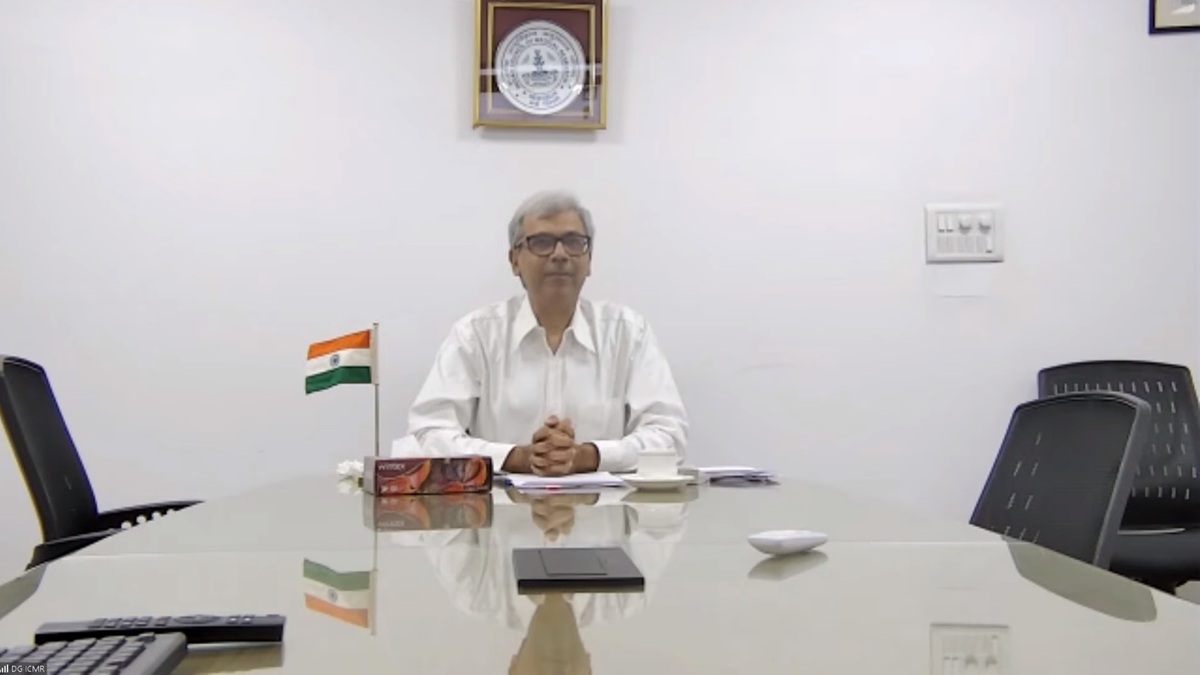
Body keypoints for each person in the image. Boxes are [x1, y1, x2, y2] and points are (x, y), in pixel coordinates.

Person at [404, 189, 688, 475]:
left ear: (589, 260)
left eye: (574, 242)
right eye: (542, 242)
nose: (560, 254)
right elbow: (428, 434)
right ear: (514, 260)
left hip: (608, 504)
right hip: (499, 504)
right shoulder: (476, 335)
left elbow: (670, 437)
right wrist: (516, 458)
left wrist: (587, 456)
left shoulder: (628, 333)